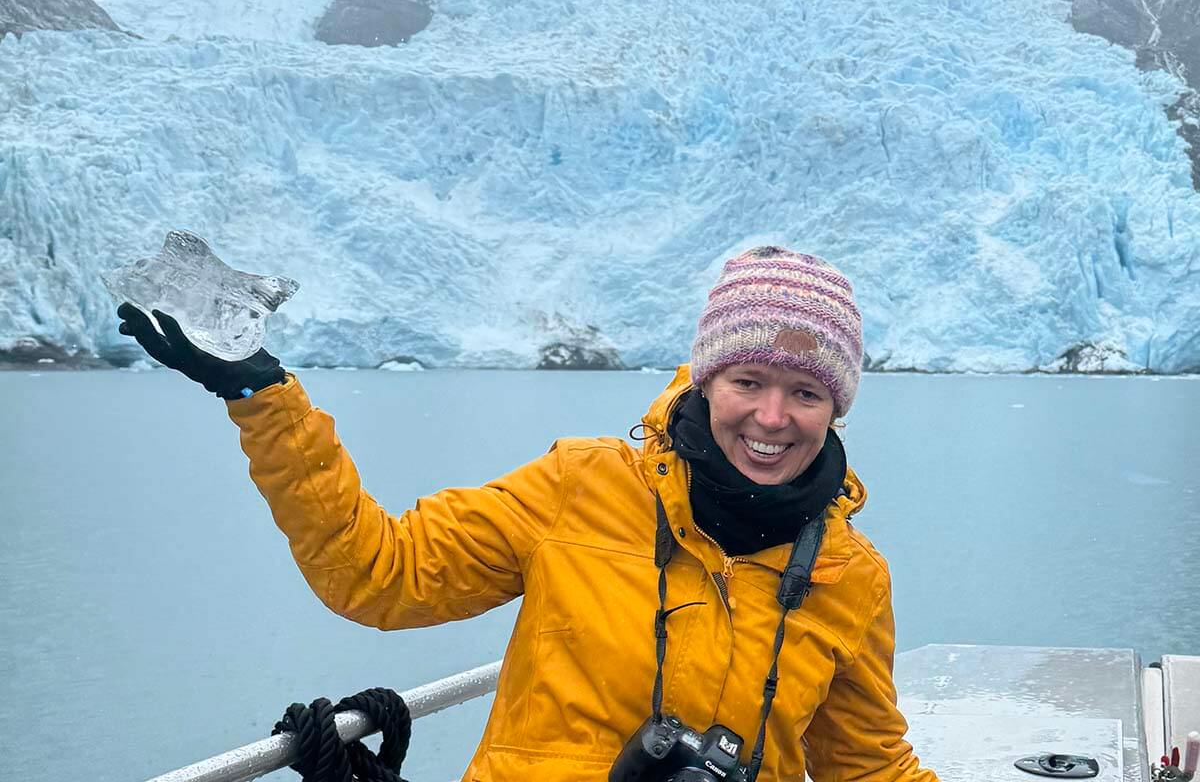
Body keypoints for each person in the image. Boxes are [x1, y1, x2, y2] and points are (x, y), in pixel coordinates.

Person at [117, 245, 939, 782]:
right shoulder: (581, 487)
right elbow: (377, 575)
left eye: (805, 393)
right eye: (747, 383)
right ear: (705, 382)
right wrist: (262, 397)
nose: (770, 417)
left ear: (835, 409)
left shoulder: (847, 576)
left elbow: (866, 766)